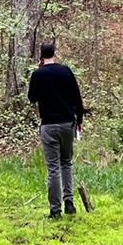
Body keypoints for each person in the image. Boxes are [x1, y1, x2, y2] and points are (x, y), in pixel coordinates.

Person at [26, 40, 85, 218]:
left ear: (41, 55)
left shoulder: (38, 74)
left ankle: (55, 210)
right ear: (54, 53)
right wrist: (80, 119)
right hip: (67, 123)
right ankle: (69, 202)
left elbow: (31, 98)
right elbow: (77, 97)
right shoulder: (65, 71)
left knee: (53, 167)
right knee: (66, 162)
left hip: (49, 125)